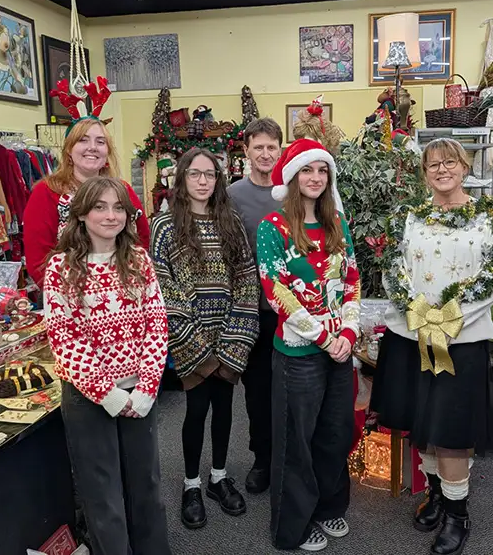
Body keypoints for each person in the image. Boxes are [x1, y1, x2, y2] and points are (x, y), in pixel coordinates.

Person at [370, 138, 493, 555]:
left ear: (465, 168)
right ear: (424, 172)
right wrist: (419, 313)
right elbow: (394, 268)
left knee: (451, 429)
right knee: (424, 420)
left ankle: (458, 515)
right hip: (412, 336)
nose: (442, 170)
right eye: (433, 164)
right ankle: (436, 495)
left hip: (460, 340)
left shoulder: (488, 218)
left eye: (450, 162)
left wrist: (447, 318)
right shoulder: (410, 216)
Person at [44, 176, 171, 555]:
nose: (110, 215)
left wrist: (147, 387)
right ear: (81, 213)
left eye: (118, 207)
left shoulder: (138, 261)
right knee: (103, 493)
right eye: (99, 206)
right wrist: (107, 393)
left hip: (139, 393)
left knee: (146, 484)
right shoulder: (60, 268)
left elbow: (156, 324)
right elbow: (64, 338)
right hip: (89, 397)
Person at [257, 138, 361, 552]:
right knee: (295, 442)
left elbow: (351, 281)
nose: (315, 178)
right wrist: (323, 337)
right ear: (293, 176)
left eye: (322, 170)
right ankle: (292, 527)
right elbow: (276, 291)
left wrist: (349, 336)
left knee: (335, 434)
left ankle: (327, 506)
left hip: (339, 349)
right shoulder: (273, 227)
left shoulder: (338, 221)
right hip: (299, 352)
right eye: (307, 170)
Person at [151, 147, 260, 530]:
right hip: (191, 340)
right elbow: (164, 286)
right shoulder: (165, 226)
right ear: (181, 179)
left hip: (229, 335)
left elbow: (247, 279)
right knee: (195, 412)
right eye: (195, 174)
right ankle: (191, 484)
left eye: (209, 175)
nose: (202, 181)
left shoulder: (230, 221)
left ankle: (218, 477)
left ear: (218, 180)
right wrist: (194, 343)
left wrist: (235, 338)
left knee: (227, 411)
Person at [24, 79, 150, 288]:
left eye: (100, 142)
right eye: (83, 140)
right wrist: (70, 294)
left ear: (107, 151)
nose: (92, 147)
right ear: (68, 150)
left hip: (120, 293)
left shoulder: (123, 191)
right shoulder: (47, 193)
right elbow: (38, 259)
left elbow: (141, 241)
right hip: (68, 296)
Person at [227, 117, 283, 494]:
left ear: (280, 150)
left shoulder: (292, 189)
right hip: (255, 312)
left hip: (294, 314)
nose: (265, 154)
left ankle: (289, 458)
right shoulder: (232, 195)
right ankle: (262, 459)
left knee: (294, 390)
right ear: (246, 150)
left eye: (271, 147)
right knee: (259, 393)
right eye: (258, 147)